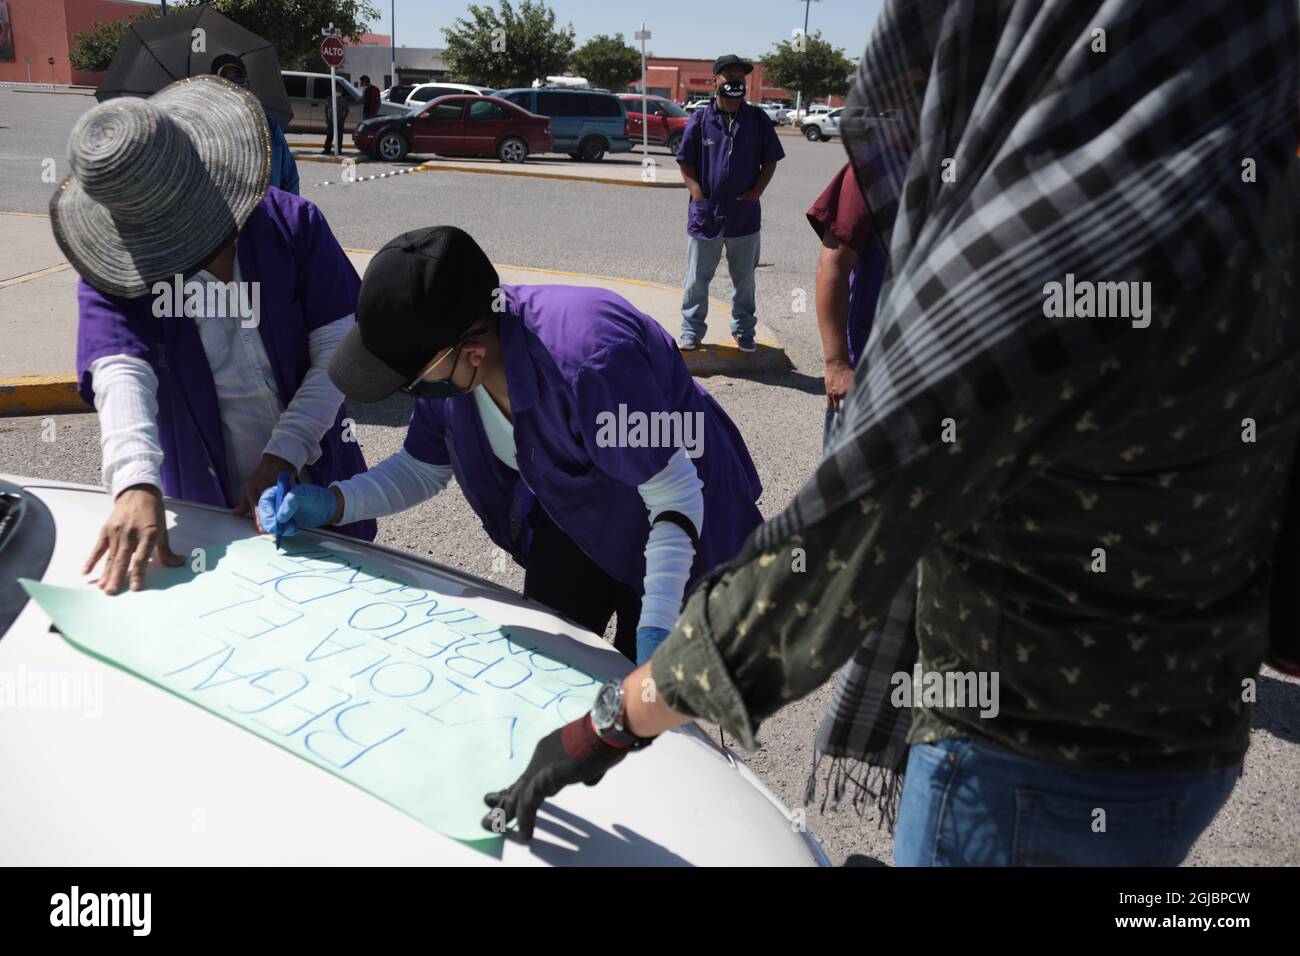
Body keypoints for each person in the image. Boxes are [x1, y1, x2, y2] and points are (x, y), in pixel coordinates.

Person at [481, 0, 1300, 866]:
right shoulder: (1259, 203)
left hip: (1029, 768)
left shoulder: (1043, 249)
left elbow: (833, 553)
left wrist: (604, 727)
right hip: (1196, 736)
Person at [258, 226, 765, 664]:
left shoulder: (590, 362)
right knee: (555, 668)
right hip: (573, 516)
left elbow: (674, 493)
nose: (411, 392)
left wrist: (656, 624)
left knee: (646, 707)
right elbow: (422, 468)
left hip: (677, 519)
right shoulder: (451, 366)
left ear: (472, 353)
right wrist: (331, 503)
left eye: (411, 379)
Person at [55, 75, 375, 595]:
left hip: (311, 475)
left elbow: (339, 350)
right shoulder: (117, 266)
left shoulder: (294, 225)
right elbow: (120, 368)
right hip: (205, 502)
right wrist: (135, 480)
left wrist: (285, 452)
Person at [676, 54, 784, 353]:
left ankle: (744, 331)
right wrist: (698, 196)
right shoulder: (700, 120)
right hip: (706, 216)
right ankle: (691, 331)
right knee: (698, 279)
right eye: (729, 76)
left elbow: (771, 159)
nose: (735, 81)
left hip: (744, 217)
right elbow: (685, 161)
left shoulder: (757, 120)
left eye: (741, 77)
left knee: (744, 281)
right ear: (715, 81)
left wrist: (756, 192)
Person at [211, 54, 299, 195]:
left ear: (247, 84)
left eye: (237, 76)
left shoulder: (269, 126)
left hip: (268, 212)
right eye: (225, 77)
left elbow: (289, 180)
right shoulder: (207, 130)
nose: (232, 82)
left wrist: (289, 213)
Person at [323, 81, 350, 155]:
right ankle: (327, 149)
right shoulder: (329, 98)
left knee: (339, 136)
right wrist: (326, 117)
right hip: (330, 120)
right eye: (337, 90)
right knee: (329, 135)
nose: (339, 91)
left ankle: (338, 150)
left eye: (340, 90)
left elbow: (346, 110)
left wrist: (343, 119)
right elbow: (326, 108)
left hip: (339, 121)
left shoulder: (343, 100)